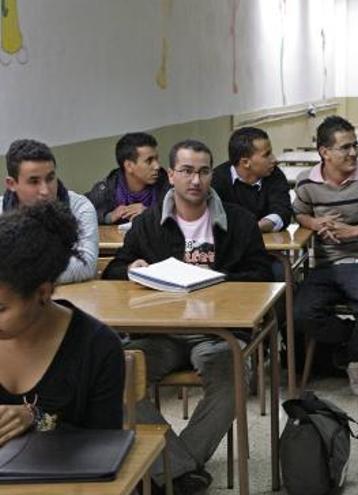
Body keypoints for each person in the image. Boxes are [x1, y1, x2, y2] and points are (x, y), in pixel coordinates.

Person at [103, 139, 274, 494]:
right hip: (159, 333)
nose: (195, 180)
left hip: (217, 333)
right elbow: (115, 271)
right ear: (171, 175)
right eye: (186, 171)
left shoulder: (239, 222)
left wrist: (218, 281)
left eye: (203, 171)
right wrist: (131, 267)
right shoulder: (149, 223)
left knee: (233, 377)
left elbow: (261, 275)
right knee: (112, 377)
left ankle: (174, 468)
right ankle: (178, 470)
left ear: (212, 174)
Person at [0, 201, 124, 447]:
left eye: (1, 309)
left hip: (64, 481)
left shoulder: (97, 347)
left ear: (43, 293)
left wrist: (36, 418)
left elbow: (102, 447)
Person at [292, 116, 358, 397]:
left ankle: (356, 359)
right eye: (345, 147)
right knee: (300, 314)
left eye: (356, 145)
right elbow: (299, 212)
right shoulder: (306, 183)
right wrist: (313, 223)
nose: (354, 153)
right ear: (324, 152)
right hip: (325, 264)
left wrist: (355, 232)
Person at [1, 138, 98, 283]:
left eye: (50, 178)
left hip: (72, 298)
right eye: (34, 181)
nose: (45, 191)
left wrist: (17, 274)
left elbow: (85, 265)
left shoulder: (80, 207)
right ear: (12, 184)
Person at [211, 126, 292, 233]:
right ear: (245, 162)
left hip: (265, 245)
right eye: (266, 155)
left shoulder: (274, 174)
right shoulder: (216, 179)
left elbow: (283, 212)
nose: (274, 160)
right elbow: (213, 219)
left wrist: (252, 228)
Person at [86, 132, 169, 225]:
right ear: (129, 166)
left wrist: (151, 213)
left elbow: (183, 214)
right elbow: (81, 212)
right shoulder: (108, 187)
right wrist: (108, 217)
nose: (157, 166)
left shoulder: (168, 183)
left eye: (156, 159)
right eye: (149, 161)